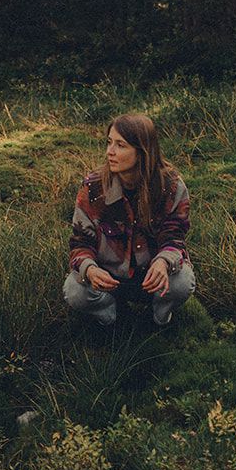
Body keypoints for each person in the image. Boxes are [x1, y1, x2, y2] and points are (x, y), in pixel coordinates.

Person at [62, 113, 195, 327]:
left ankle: (158, 319)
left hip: (152, 277)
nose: (109, 152)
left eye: (120, 145)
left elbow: (175, 238)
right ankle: (113, 319)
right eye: (109, 142)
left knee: (182, 282)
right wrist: (90, 269)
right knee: (75, 291)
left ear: (142, 151)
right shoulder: (93, 188)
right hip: (110, 279)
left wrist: (163, 262)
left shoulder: (170, 186)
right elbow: (80, 243)